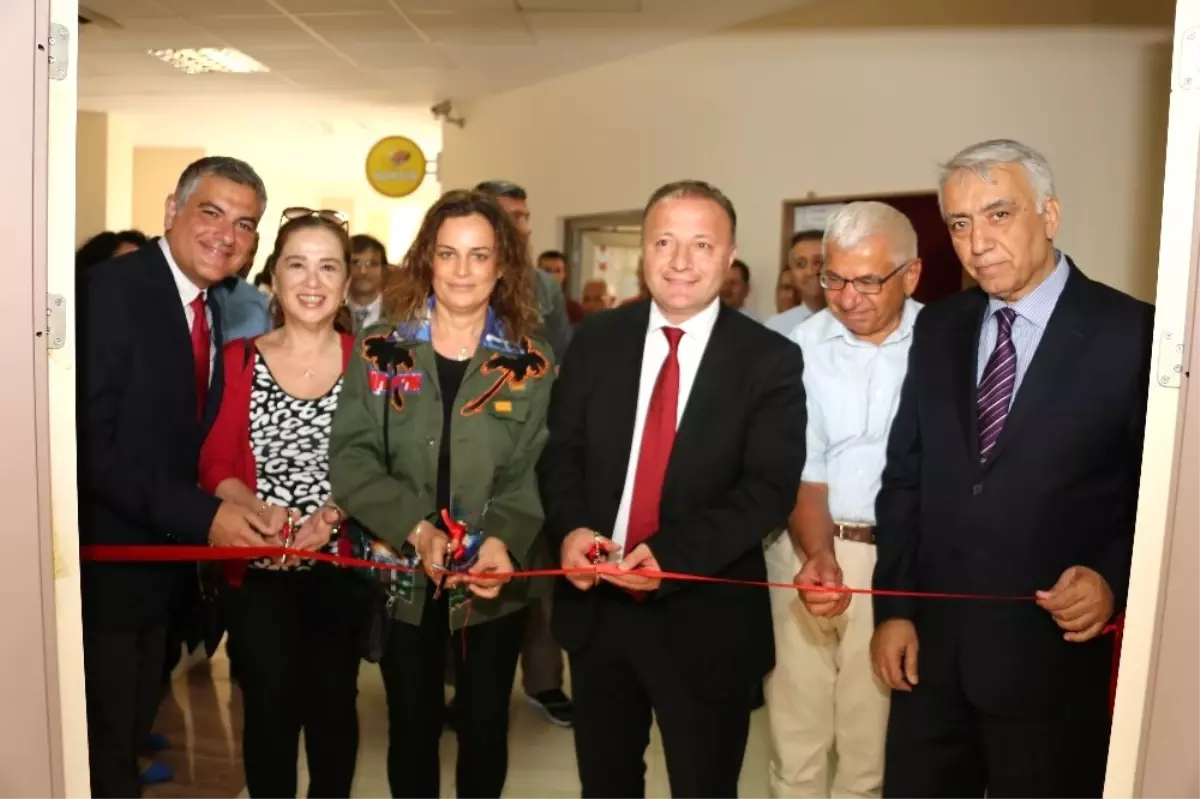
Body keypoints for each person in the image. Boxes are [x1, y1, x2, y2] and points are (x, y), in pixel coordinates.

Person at [871, 139, 1153, 799]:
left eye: (999, 214)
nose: (978, 242)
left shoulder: (1132, 334)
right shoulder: (938, 327)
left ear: (1049, 215)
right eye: (961, 224)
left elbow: (1156, 496)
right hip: (930, 664)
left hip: (1052, 665)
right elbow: (905, 477)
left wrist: (1113, 576)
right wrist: (895, 608)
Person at [539, 179, 806, 798]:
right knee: (605, 784)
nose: (681, 262)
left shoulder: (768, 359)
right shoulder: (598, 340)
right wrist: (573, 527)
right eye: (665, 241)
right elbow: (562, 452)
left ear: (730, 252)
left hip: (704, 615)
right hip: (599, 610)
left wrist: (674, 557)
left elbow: (768, 487)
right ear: (643, 249)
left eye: (701, 244)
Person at [329, 189, 555, 798]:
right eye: (448, 253)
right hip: (403, 573)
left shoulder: (532, 362)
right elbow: (350, 460)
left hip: (491, 580)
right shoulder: (381, 348)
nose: (462, 271)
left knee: (484, 729)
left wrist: (502, 539)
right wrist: (416, 529)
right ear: (426, 258)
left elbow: (532, 470)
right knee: (413, 727)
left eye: (479, 256)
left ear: (503, 264)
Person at [76, 156, 274, 799]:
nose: (227, 235)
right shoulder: (110, 292)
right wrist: (202, 515)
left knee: (134, 720)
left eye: (245, 224)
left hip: (162, 563)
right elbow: (90, 446)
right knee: (106, 736)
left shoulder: (208, 305)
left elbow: (186, 433)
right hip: (105, 556)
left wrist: (231, 496)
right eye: (211, 213)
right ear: (172, 211)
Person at [199, 212, 363, 798]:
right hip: (259, 570)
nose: (312, 281)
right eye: (297, 264)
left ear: (346, 282)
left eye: (328, 266)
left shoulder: (373, 362)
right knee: (268, 718)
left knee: (333, 719)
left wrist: (331, 517)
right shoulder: (240, 358)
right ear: (274, 275)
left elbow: (391, 464)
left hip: (342, 568)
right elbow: (216, 464)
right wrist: (258, 511)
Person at [766, 201, 923, 799]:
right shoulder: (794, 350)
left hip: (898, 563)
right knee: (796, 736)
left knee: (871, 746)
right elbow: (804, 469)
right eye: (833, 278)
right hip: (806, 551)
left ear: (910, 276)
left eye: (867, 281)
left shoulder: (942, 346)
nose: (847, 296)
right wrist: (818, 554)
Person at [475, 178, 573, 725]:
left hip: (530, 450)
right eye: (512, 216)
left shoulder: (543, 288)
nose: (524, 227)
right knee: (463, 567)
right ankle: (456, 686)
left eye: (526, 216)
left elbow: (562, 366)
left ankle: (544, 682)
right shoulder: (450, 278)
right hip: (463, 454)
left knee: (536, 574)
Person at [765, 229, 827, 336]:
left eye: (818, 262)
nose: (810, 271)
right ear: (792, 272)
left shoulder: (856, 320)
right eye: (800, 264)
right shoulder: (776, 327)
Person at [347, 233, 388, 332]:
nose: (363, 271)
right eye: (355, 263)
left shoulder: (403, 317)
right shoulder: (330, 314)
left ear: (384, 270)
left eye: (371, 264)